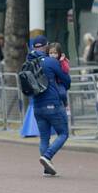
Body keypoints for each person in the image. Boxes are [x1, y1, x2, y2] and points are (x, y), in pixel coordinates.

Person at [27, 35, 70, 176]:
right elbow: (67, 81)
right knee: (63, 133)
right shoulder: (51, 61)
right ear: (46, 46)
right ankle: (47, 156)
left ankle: (46, 168)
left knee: (44, 138)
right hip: (53, 103)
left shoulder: (29, 62)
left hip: (37, 105)